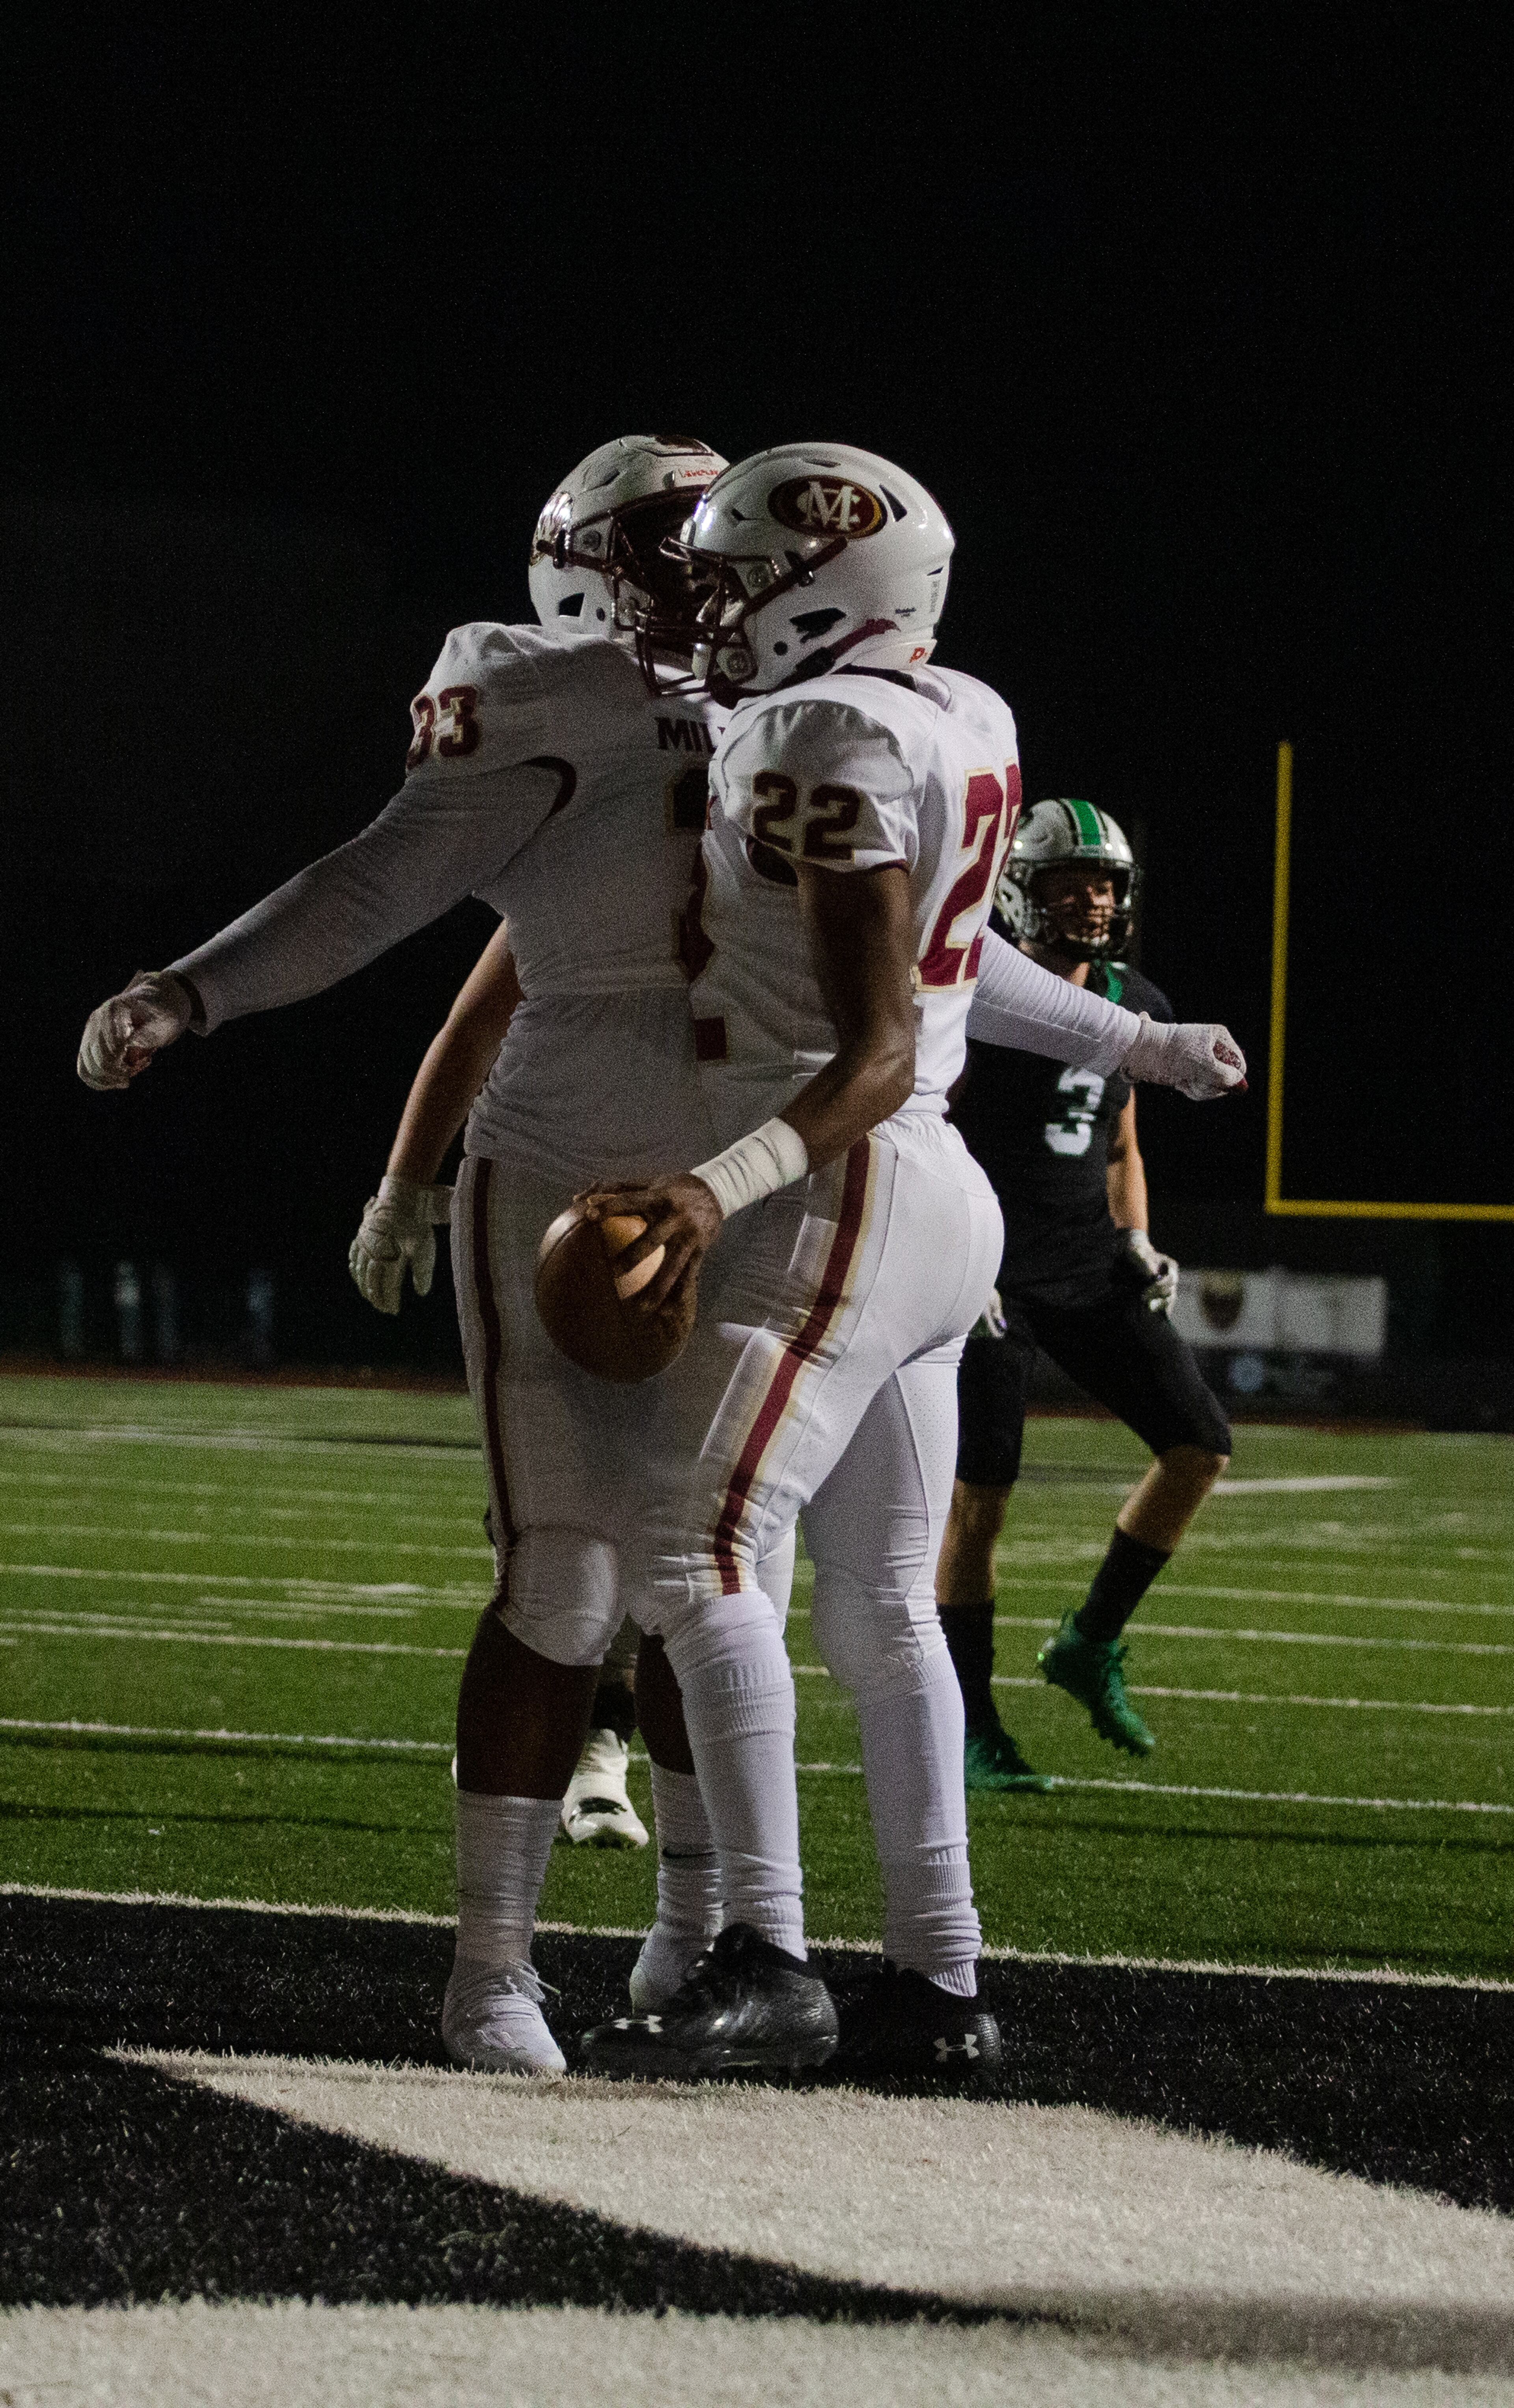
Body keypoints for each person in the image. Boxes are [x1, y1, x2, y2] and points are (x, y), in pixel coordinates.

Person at [76, 433, 802, 2074]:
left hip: (764, 1153)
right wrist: (193, 987)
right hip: (567, 1153)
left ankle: (696, 1944)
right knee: (565, 1569)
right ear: (607, 566)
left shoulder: (825, 697)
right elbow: (384, 884)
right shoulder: (543, 691)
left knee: (725, 1575)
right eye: (695, 549)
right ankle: (491, 1969)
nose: (734, 576)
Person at [564, 447, 1246, 2081]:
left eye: (737, 582)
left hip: (836, 1175)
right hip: (928, 1198)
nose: (710, 612)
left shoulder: (818, 732)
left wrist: (714, 1186)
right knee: (882, 1605)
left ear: (834, 582)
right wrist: (1134, 1035)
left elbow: (876, 1042)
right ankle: (941, 1983)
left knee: (693, 1543)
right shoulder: (967, 711)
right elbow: (967, 958)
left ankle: (769, 1948)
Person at [935, 799, 1233, 1781]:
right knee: (981, 1500)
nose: (1093, 901)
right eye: (1072, 884)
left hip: (1088, 1258)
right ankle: (972, 1723)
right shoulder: (986, 994)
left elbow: (1121, 1137)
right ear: (1022, 887)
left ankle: (1089, 1639)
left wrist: (1139, 1237)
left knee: (1199, 1445)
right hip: (993, 1272)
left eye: (1104, 884)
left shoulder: (1131, 993)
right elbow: (928, 1122)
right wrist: (955, 1256)